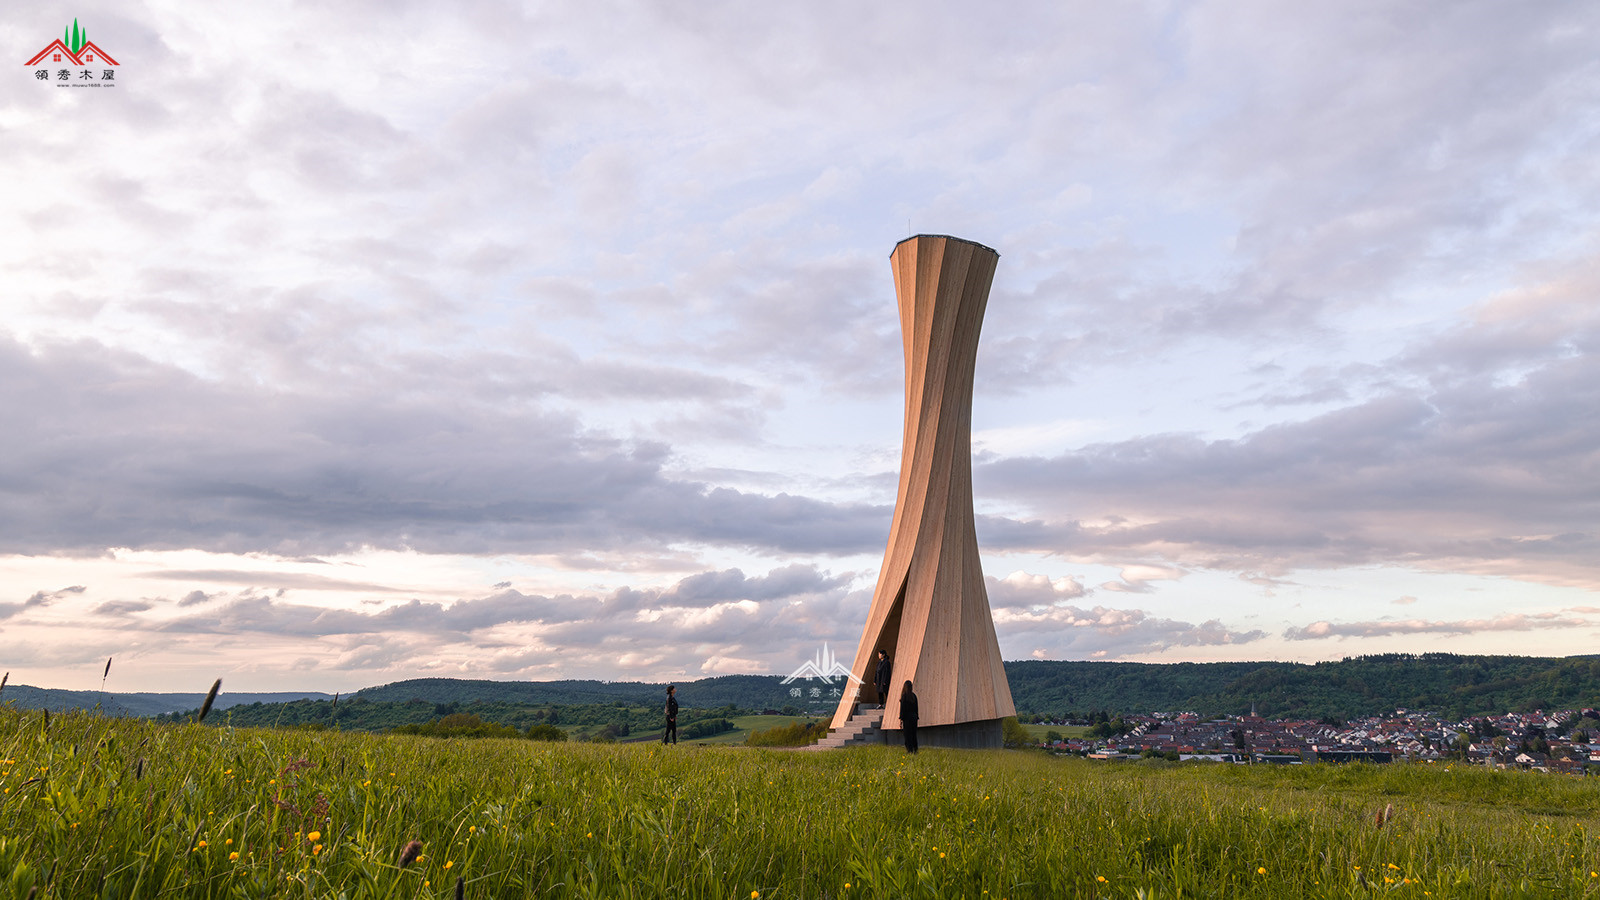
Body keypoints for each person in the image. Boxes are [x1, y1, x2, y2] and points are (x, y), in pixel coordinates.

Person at [899, 679, 918, 754]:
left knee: (907, 735)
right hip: (914, 718)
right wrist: (917, 717)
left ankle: (909, 750)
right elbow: (916, 708)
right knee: (914, 735)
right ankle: (915, 749)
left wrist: (901, 719)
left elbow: (902, 709)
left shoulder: (904, 697)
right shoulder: (914, 696)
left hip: (907, 719)